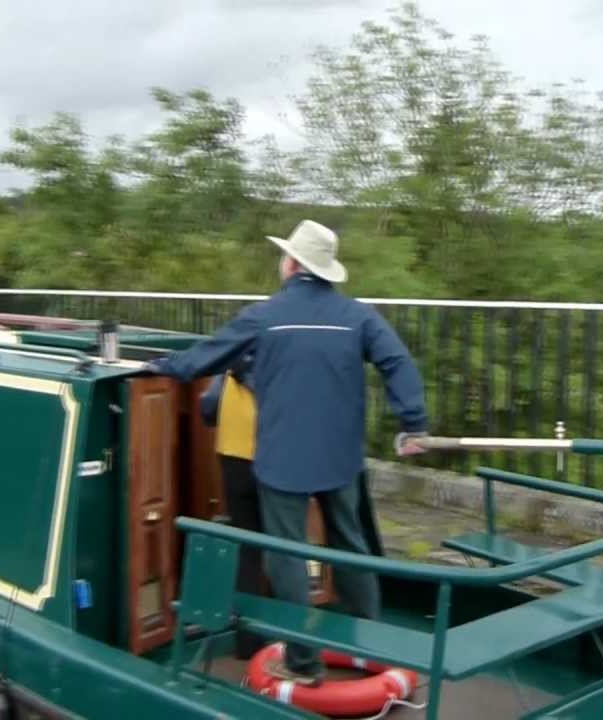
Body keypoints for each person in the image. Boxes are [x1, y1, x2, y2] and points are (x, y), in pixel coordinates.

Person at [144, 220, 429, 685]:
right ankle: (371, 649)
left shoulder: (265, 315)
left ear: (292, 264)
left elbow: (205, 358)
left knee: (287, 555)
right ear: (324, 270)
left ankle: (302, 665)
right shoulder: (359, 316)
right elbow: (397, 361)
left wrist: (160, 366)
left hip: (282, 460)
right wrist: (413, 422)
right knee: (350, 547)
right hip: (340, 458)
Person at [197, 352, 266, 660]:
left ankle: (246, 644)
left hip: (233, 457)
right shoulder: (282, 360)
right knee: (285, 549)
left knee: (248, 551)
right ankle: (291, 642)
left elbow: (208, 409)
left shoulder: (230, 363)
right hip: (274, 459)